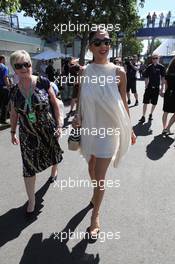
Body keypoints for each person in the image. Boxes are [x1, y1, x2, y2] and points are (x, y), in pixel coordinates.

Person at [73, 29, 136, 240]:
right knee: (91, 167)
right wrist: (77, 118)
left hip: (110, 130)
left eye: (107, 41)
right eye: (98, 42)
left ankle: (95, 216)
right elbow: (81, 100)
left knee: (100, 177)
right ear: (90, 46)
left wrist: (131, 128)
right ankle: (95, 196)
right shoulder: (84, 72)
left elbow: (124, 102)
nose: (103, 45)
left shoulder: (119, 72)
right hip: (90, 128)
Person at [9, 50, 63, 216]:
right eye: (19, 65)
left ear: (31, 65)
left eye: (27, 64)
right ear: (14, 69)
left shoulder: (43, 82)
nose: (24, 68)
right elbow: (13, 113)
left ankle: (54, 170)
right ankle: (31, 199)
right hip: (27, 134)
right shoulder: (14, 91)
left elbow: (55, 104)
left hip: (47, 128)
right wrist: (12, 131)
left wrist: (59, 124)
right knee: (28, 167)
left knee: (52, 152)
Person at [139, 54, 165, 123]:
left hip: (156, 87)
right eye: (153, 58)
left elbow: (163, 78)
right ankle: (143, 116)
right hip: (149, 87)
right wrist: (146, 84)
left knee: (154, 102)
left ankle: (150, 114)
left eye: (156, 58)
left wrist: (162, 89)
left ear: (158, 59)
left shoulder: (161, 67)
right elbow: (146, 76)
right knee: (145, 102)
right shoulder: (149, 67)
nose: (154, 59)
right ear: (152, 59)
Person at [160, 57, 175, 135]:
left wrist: (164, 93)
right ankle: (168, 128)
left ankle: (164, 128)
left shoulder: (168, 72)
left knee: (166, 112)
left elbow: (165, 84)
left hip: (168, 93)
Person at [0, 55, 10, 124]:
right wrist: (9, 86)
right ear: (2, 59)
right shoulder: (4, 67)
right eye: (4, 59)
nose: (5, 61)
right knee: (5, 104)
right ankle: (3, 119)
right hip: (3, 88)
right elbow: (5, 78)